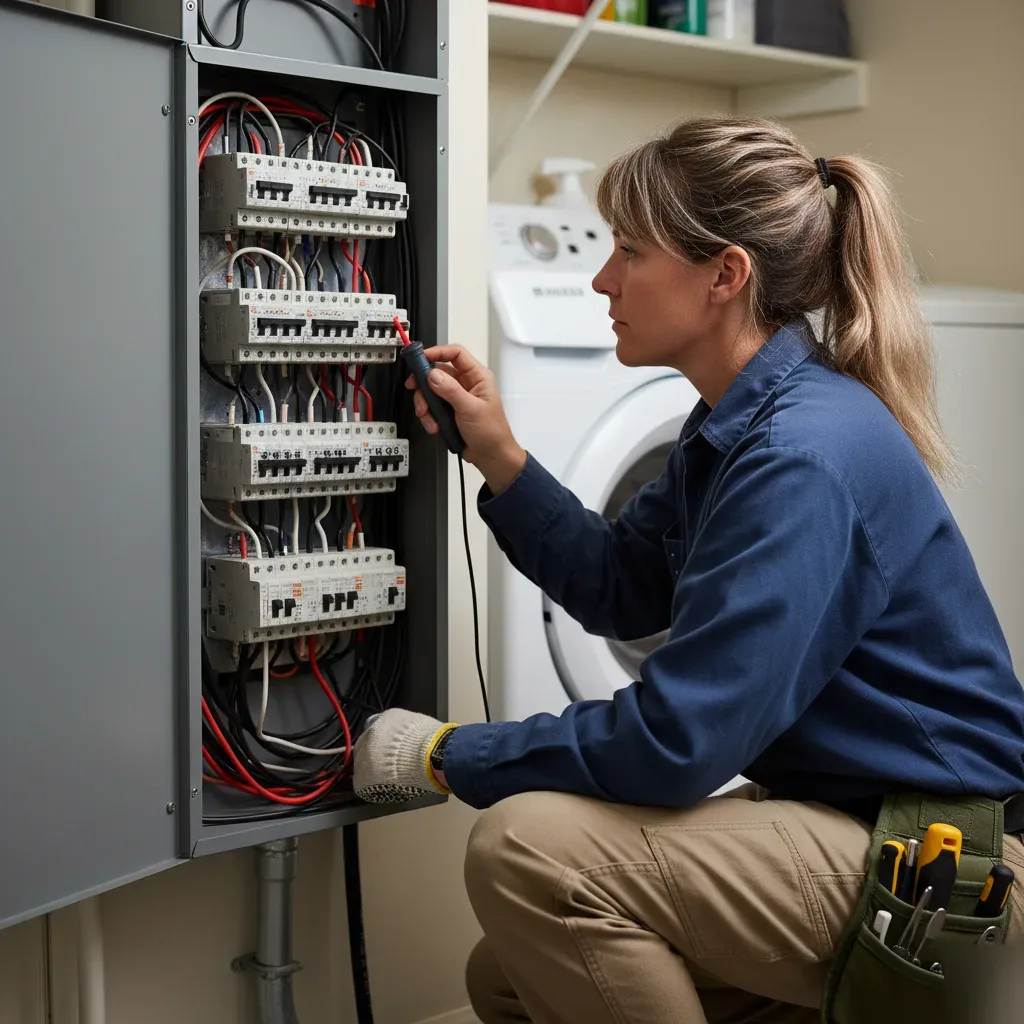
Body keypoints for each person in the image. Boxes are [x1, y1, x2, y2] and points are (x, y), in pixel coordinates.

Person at [352, 116, 1024, 1023]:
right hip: (858, 827)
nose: (602, 278)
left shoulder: (802, 453)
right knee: (502, 983)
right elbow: (628, 584)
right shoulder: (738, 427)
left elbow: (676, 744)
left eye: (628, 250)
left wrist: (444, 755)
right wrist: (501, 458)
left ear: (726, 274)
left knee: (525, 850)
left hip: (949, 868)